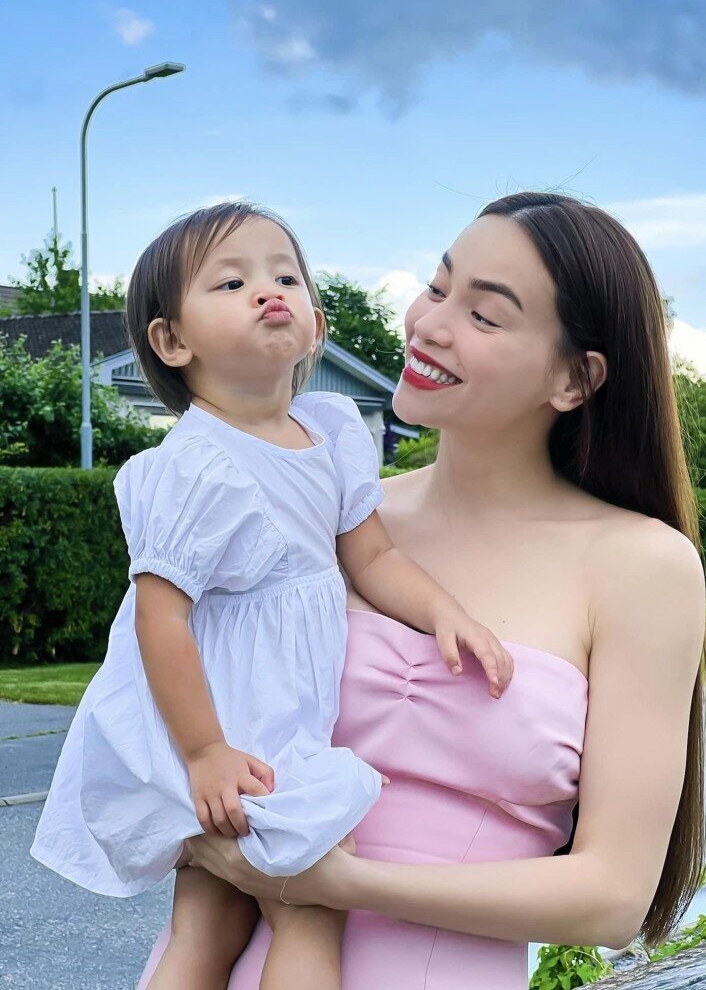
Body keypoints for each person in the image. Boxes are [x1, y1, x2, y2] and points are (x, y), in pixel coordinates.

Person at [138, 191, 706, 990]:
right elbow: (163, 687)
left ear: (574, 379)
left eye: (484, 315)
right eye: (438, 288)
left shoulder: (641, 565)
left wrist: (342, 884)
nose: (430, 325)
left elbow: (613, 897)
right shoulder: (321, 516)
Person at [30, 202, 514, 990]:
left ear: (317, 324)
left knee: (212, 918)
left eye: (285, 276)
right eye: (231, 283)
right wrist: (205, 753)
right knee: (310, 907)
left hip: (279, 713)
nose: (267, 291)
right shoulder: (194, 466)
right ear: (172, 341)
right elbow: (161, 617)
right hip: (230, 726)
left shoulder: (329, 432)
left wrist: (443, 613)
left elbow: (373, 556)